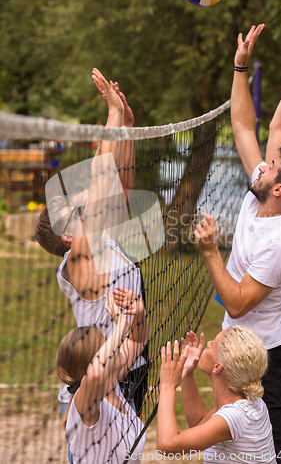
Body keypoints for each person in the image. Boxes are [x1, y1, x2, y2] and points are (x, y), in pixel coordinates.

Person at [194, 24, 281, 463]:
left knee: (270, 456)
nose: (263, 166)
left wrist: (212, 250)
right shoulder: (272, 196)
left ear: (279, 190)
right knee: (229, 448)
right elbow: (247, 123)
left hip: (267, 359)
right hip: (240, 349)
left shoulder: (280, 244)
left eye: (271, 167)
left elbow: (236, 303)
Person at [35, 72, 149, 462]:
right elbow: (101, 178)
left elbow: (120, 183)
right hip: (101, 374)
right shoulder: (78, 263)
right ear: (68, 234)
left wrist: (127, 128)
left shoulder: (99, 241)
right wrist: (112, 114)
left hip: (126, 362)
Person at [156, 327, 276, 464]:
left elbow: (168, 444)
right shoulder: (250, 400)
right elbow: (199, 423)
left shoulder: (234, 417)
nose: (208, 343)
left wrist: (167, 386)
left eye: (212, 344)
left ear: (217, 367)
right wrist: (187, 373)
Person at [56, 290, 148, 464]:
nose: (117, 342)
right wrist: (120, 324)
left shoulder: (112, 381)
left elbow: (137, 341)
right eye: (108, 342)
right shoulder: (84, 403)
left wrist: (139, 313)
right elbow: (96, 374)